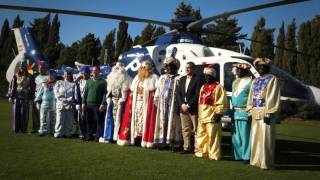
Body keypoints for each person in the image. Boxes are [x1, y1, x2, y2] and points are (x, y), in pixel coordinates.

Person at [247, 58, 280, 170]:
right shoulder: (255, 81)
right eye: (259, 66)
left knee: (266, 138)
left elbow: (272, 96)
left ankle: (266, 163)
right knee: (255, 138)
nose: (260, 68)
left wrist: (269, 113)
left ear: (268, 67)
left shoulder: (272, 79)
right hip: (255, 111)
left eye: (263, 66)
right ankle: (256, 160)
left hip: (265, 112)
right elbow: (251, 97)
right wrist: (250, 111)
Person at [117, 61, 158, 147]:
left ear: (149, 69)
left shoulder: (154, 78)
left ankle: (145, 139)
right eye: (142, 68)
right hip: (136, 104)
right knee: (135, 121)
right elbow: (132, 91)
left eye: (145, 68)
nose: (143, 70)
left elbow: (154, 93)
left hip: (146, 104)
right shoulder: (136, 78)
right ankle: (136, 139)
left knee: (145, 121)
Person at [195, 65, 228, 160]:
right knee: (201, 135)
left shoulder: (218, 87)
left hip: (212, 116)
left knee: (213, 136)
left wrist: (218, 113)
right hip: (202, 117)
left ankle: (213, 155)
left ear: (213, 76)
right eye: (205, 76)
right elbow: (200, 102)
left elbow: (222, 102)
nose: (206, 78)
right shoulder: (203, 87)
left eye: (209, 76)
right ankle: (202, 152)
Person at [154, 57, 182, 150]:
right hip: (162, 104)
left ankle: (173, 143)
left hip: (174, 104)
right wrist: (156, 99)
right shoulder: (162, 77)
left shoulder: (179, 78)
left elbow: (181, 92)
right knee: (162, 122)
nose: (169, 68)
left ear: (175, 67)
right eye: (167, 66)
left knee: (174, 123)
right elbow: (158, 90)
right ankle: (162, 142)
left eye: (171, 66)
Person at [175, 61, 202, 154]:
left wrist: (188, 105)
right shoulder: (181, 79)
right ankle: (186, 147)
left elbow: (197, 94)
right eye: (186, 67)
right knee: (185, 129)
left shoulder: (198, 79)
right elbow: (178, 93)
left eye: (189, 67)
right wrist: (182, 104)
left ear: (193, 69)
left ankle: (197, 149)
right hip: (183, 108)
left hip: (193, 108)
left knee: (196, 129)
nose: (187, 69)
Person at [101, 62, 131, 143]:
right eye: (116, 67)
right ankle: (109, 136)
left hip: (122, 103)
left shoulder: (126, 78)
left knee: (120, 120)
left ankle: (118, 136)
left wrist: (122, 99)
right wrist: (108, 98)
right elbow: (109, 90)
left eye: (119, 67)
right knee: (111, 119)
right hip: (112, 101)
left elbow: (127, 90)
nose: (117, 69)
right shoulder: (111, 77)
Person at [231, 63, 252, 163]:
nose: (237, 71)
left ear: (245, 71)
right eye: (237, 69)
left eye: (240, 69)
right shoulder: (234, 82)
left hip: (245, 112)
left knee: (246, 136)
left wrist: (250, 112)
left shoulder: (251, 82)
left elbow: (252, 99)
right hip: (235, 112)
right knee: (236, 137)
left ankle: (246, 157)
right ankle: (238, 155)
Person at [82, 66, 107, 141]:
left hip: (97, 105)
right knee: (88, 121)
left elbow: (105, 94)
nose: (94, 72)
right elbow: (85, 93)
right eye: (93, 71)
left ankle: (98, 137)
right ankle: (89, 136)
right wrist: (83, 103)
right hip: (88, 104)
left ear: (99, 71)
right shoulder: (88, 81)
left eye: (96, 70)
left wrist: (103, 104)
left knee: (98, 121)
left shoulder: (103, 82)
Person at [7, 60, 32, 133]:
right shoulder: (16, 75)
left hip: (25, 95)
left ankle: (24, 128)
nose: (21, 68)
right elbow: (12, 86)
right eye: (20, 67)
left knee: (24, 112)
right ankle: (16, 128)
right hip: (17, 95)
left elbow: (32, 86)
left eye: (23, 67)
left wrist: (31, 98)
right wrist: (10, 95)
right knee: (16, 112)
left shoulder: (29, 76)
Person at [54, 67, 76, 138]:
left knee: (69, 120)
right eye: (66, 74)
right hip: (60, 103)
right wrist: (62, 99)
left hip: (70, 104)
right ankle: (58, 132)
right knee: (59, 119)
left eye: (68, 74)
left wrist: (70, 100)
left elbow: (75, 94)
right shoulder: (59, 82)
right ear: (64, 75)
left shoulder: (74, 84)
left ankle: (67, 132)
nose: (67, 75)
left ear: (71, 75)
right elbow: (56, 92)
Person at [34, 70, 57, 136]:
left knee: (52, 118)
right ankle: (42, 131)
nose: (50, 77)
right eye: (49, 76)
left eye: (52, 76)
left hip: (53, 103)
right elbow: (40, 93)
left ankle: (52, 131)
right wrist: (37, 100)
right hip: (44, 103)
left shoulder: (56, 84)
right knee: (43, 118)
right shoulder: (44, 84)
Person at [31, 61, 48, 133]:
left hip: (44, 99)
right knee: (35, 115)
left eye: (42, 68)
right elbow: (28, 71)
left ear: (45, 68)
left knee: (43, 115)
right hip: (36, 98)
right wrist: (32, 65)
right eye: (39, 68)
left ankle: (43, 129)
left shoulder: (48, 76)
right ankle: (35, 128)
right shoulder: (35, 75)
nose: (40, 69)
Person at [74, 66, 91, 140]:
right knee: (80, 119)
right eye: (82, 73)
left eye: (85, 73)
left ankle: (88, 134)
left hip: (88, 102)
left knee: (88, 119)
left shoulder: (91, 81)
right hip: (81, 102)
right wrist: (78, 103)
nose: (83, 75)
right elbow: (77, 93)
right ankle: (82, 133)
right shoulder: (79, 82)